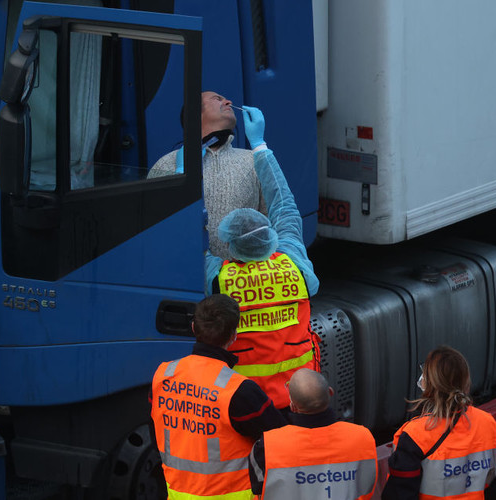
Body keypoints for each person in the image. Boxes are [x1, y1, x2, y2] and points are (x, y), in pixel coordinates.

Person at [207, 105, 320, 411]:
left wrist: (182, 170)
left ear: (228, 243)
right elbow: (284, 205)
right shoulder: (293, 261)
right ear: (270, 235)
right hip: (303, 398)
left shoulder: (219, 278)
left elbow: (186, 246)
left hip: (247, 405)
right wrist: (260, 145)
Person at [150, 294, 286, 500]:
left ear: (194, 328)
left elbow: (156, 433)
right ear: (234, 335)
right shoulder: (239, 390)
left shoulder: (163, 375)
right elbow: (281, 441)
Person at [148, 91, 267, 262]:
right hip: (185, 272)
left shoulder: (253, 160)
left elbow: (271, 218)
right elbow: (154, 227)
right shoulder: (166, 164)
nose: (228, 101)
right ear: (195, 113)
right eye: (217, 99)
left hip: (243, 280)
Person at [382, 346, 496, 500]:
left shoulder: (415, 435)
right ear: (466, 381)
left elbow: (399, 494)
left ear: (428, 385)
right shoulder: (487, 423)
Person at [248, 369, 378, 499]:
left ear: (293, 406)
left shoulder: (267, 446)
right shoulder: (363, 437)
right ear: (330, 392)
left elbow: (260, 491)